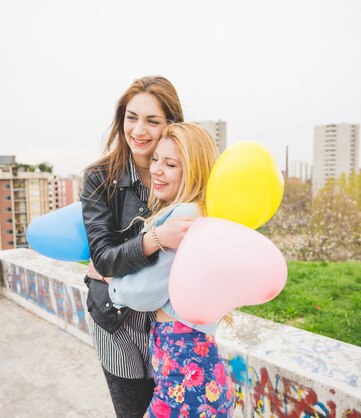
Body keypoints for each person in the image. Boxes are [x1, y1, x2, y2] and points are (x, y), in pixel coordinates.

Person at [99, 123, 235, 417]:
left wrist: (111, 282)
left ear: (194, 171)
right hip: (189, 374)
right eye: (156, 159)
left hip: (187, 381)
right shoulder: (197, 213)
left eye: (170, 163)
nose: (157, 169)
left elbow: (145, 292)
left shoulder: (185, 216)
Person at [81, 76, 194, 418]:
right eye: (132, 117)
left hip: (169, 323)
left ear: (172, 125)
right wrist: (156, 239)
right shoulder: (100, 177)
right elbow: (102, 258)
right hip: (114, 321)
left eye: (152, 120)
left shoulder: (187, 175)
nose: (139, 130)